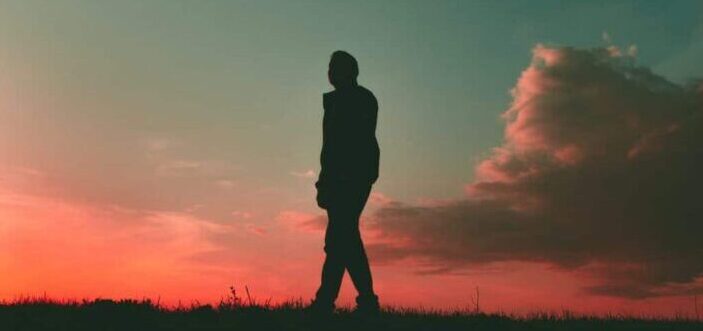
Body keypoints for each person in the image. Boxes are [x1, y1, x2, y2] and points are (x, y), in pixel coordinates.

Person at [306, 50, 380, 316]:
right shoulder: (339, 101)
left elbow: (346, 145)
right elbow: (330, 149)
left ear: (349, 71)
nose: (330, 72)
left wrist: (331, 181)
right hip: (341, 179)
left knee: (341, 237)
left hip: (352, 178)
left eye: (334, 67)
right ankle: (334, 302)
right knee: (342, 240)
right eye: (329, 67)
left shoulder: (359, 100)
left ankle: (332, 302)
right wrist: (324, 182)